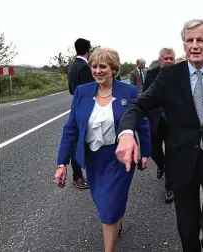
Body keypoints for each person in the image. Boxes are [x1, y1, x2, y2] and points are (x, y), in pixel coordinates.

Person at [115, 19, 203, 252]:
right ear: (183, 44)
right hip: (182, 162)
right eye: (189, 40)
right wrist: (126, 132)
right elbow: (138, 105)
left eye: (200, 40)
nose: (195, 45)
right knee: (187, 229)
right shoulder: (169, 76)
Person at [55, 48, 151, 252]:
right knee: (104, 202)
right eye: (94, 66)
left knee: (108, 208)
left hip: (120, 158)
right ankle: (116, 218)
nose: (97, 70)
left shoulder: (129, 92)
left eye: (102, 66)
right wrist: (62, 163)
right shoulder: (82, 92)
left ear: (114, 69)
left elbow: (142, 123)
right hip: (93, 159)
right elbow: (71, 129)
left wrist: (146, 152)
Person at [143, 47, 176, 203]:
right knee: (154, 151)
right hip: (155, 120)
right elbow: (145, 96)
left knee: (172, 156)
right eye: (166, 58)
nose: (169, 61)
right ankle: (161, 165)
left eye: (171, 58)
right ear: (160, 59)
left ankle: (170, 187)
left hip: (173, 123)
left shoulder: (180, 73)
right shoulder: (151, 74)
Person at [66, 38, 95, 189]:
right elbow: (88, 90)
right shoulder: (85, 67)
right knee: (80, 141)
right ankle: (78, 176)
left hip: (75, 105)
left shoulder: (71, 66)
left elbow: (71, 89)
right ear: (88, 50)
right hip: (85, 107)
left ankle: (78, 174)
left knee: (77, 140)